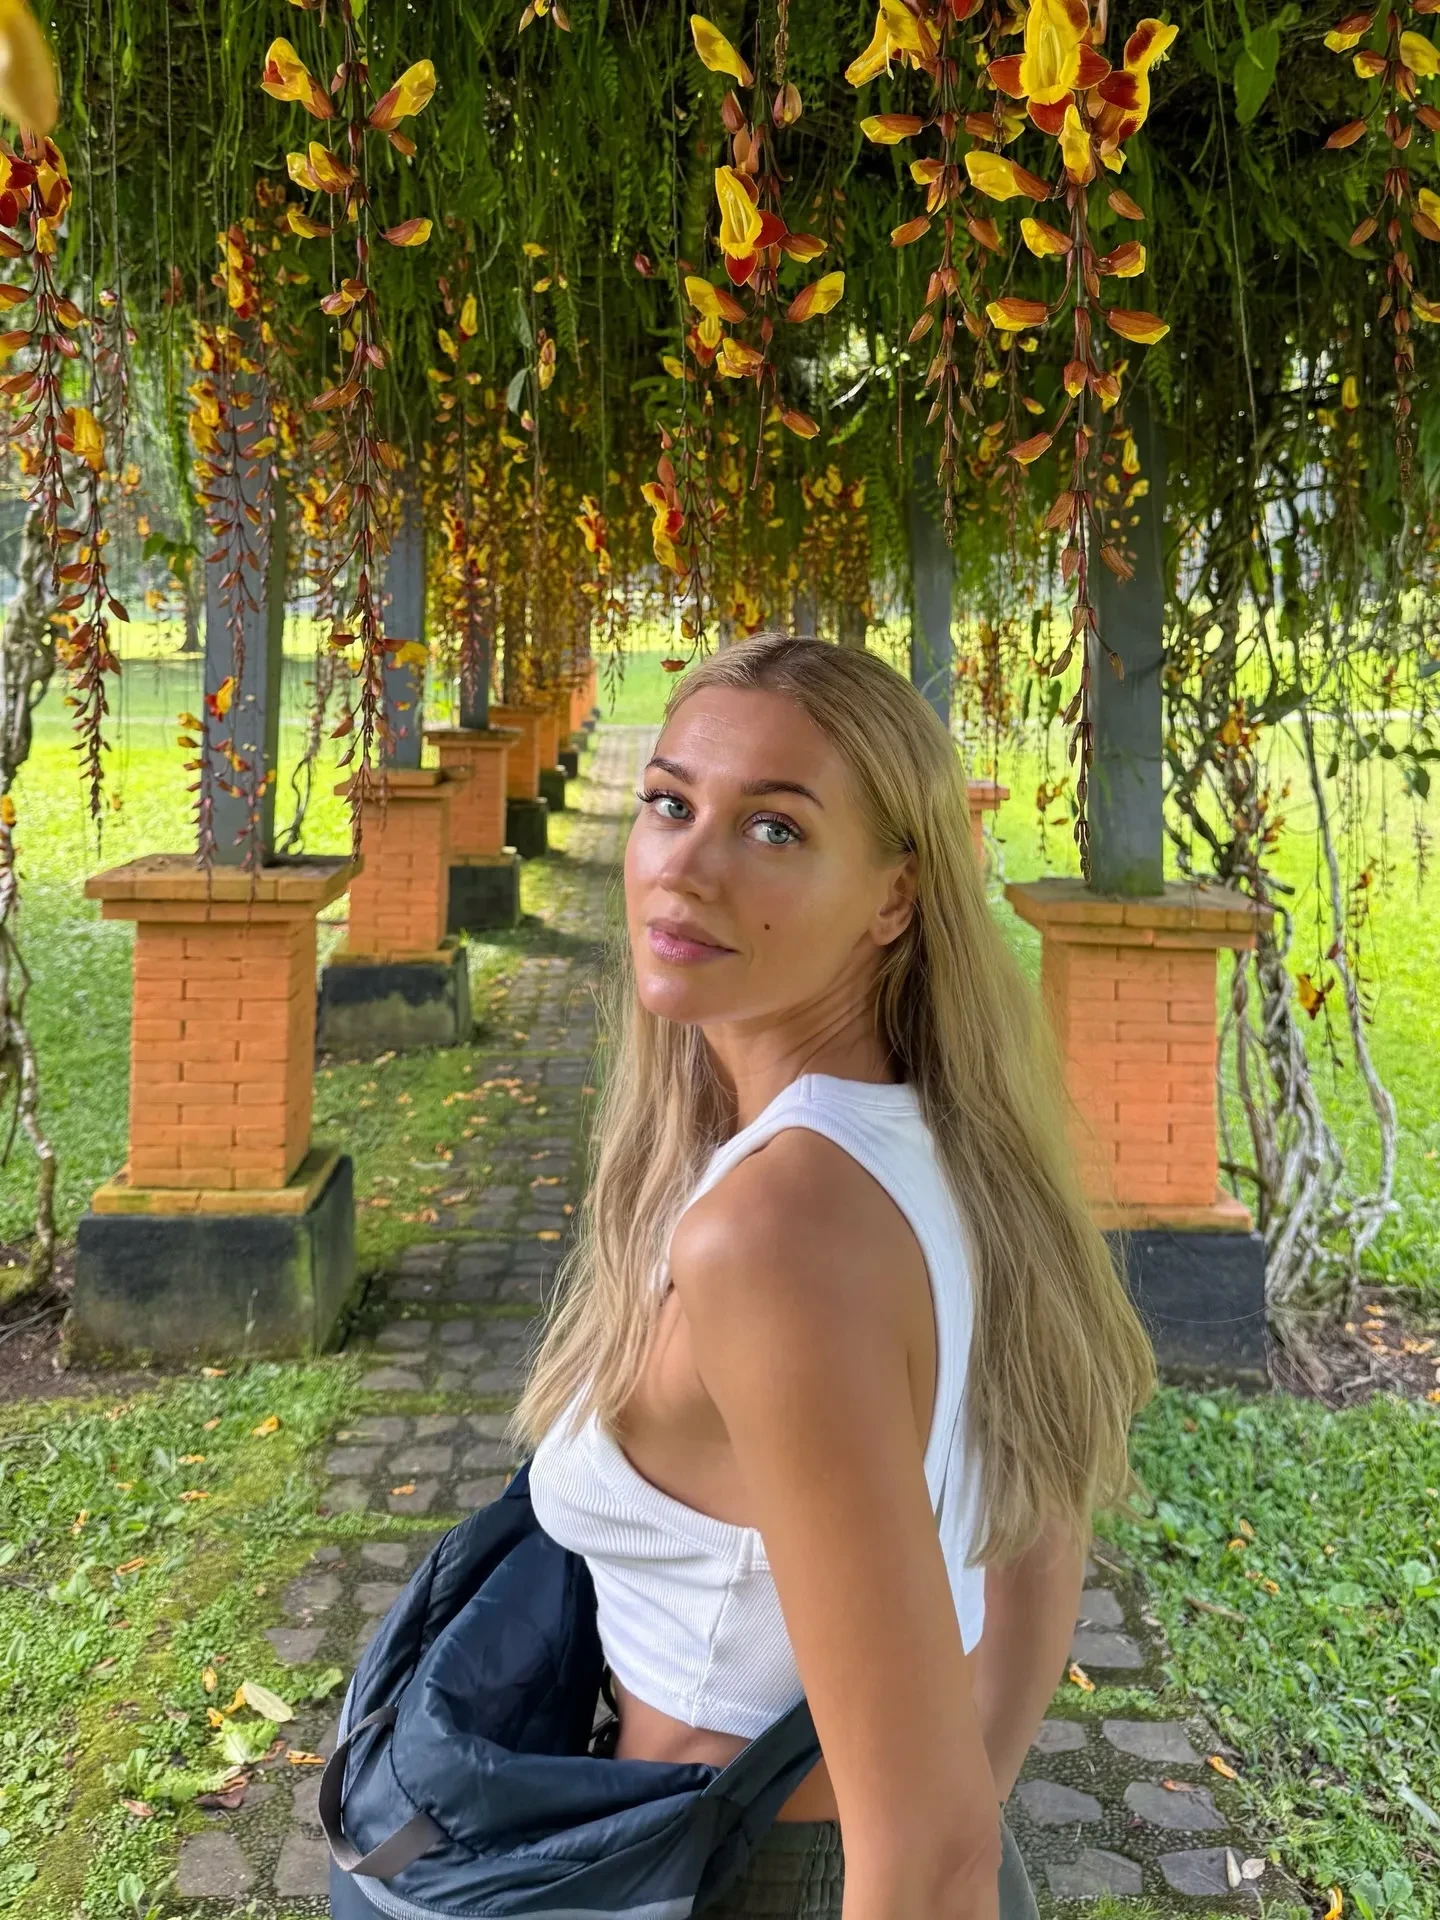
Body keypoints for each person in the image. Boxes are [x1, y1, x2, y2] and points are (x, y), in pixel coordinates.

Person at [511, 632, 1155, 1919]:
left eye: (776, 830)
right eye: (670, 804)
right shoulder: (943, 1139)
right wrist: (969, 1796)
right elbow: (1039, 1519)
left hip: (751, 1875)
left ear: (895, 898)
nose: (685, 866)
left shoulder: (775, 1236)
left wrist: (940, 1842)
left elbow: (928, 1852)